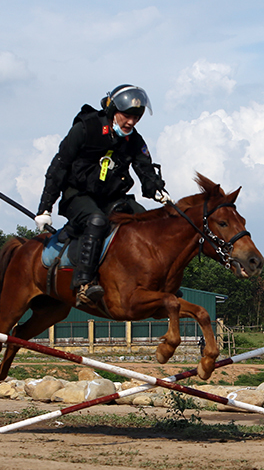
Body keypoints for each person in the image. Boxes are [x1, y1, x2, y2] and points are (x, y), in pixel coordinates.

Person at [35, 84, 169, 306]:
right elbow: (59, 166)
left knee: (149, 222)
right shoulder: (85, 129)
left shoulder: (134, 140)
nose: (131, 122)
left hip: (112, 199)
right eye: (127, 116)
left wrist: (157, 190)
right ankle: (84, 285)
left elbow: (144, 169)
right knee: (96, 221)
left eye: (137, 117)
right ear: (112, 109)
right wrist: (45, 208)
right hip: (77, 196)